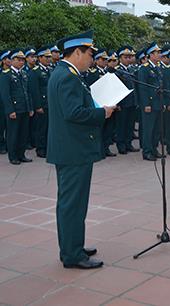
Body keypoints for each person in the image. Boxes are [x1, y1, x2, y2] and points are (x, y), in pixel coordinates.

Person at [46, 30, 116, 269]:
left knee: (72, 202)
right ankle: (72, 254)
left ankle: (72, 245)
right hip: (73, 150)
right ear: (77, 52)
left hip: (70, 148)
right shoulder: (67, 77)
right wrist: (102, 113)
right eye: (89, 54)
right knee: (72, 203)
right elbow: (73, 113)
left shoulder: (66, 74)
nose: (91, 59)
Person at [0, 49, 34, 165]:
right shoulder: (6, 75)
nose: (21, 62)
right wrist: (10, 110)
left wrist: (30, 108)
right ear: (12, 60)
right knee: (13, 133)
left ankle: (21, 154)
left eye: (22, 60)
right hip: (14, 110)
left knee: (23, 133)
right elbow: (5, 95)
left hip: (24, 108)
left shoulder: (24, 74)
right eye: (18, 60)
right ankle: (13, 156)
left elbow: (28, 93)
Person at [137, 42, 163, 161]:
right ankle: (147, 151)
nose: (160, 55)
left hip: (158, 103)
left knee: (157, 129)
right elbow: (142, 88)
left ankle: (154, 148)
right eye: (157, 53)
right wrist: (146, 104)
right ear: (150, 55)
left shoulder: (158, 68)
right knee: (148, 129)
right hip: (150, 104)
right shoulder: (144, 69)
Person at [29, 46, 53, 158]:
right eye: (46, 57)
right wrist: (37, 106)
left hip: (50, 103)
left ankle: (47, 147)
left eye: (50, 57)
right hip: (42, 104)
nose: (49, 59)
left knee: (49, 127)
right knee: (41, 128)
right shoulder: (35, 72)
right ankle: (40, 148)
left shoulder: (50, 70)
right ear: (40, 58)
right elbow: (34, 90)